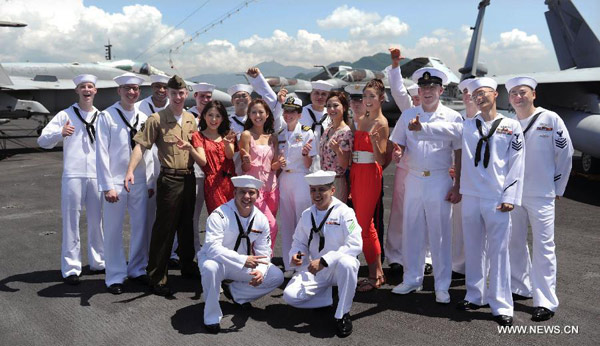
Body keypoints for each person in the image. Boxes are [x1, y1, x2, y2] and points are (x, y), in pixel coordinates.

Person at [408, 77, 525, 326]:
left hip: (496, 198)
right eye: (475, 95)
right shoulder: (467, 125)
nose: (479, 98)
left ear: (495, 94)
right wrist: (422, 129)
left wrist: (510, 197)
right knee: (473, 249)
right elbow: (445, 130)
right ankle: (475, 295)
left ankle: (502, 305)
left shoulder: (511, 126)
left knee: (499, 252)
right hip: (471, 197)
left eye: (484, 93)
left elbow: (517, 165)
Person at [389, 67, 462, 305]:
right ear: (418, 90)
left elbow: (459, 153)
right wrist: (398, 151)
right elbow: (398, 143)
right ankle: (412, 278)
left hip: (440, 179)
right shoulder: (408, 114)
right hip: (414, 177)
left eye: (432, 87)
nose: (428, 91)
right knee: (411, 230)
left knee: (440, 233)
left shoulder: (453, 117)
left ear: (441, 90)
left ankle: (442, 285)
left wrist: (457, 184)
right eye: (424, 87)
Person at [506, 76, 573, 322]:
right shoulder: (509, 122)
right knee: (514, 242)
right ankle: (519, 287)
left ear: (534, 94)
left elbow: (565, 153)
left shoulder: (550, 119)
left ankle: (545, 301)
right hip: (515, 194)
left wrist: (557, 187)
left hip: (542, 194)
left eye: (522, 92)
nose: (518, 97)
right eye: (513, 93)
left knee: (544, 247)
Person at [125, 75, 199, 296]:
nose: (177, 97)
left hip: (188, 178)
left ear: (186, 95)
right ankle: (157, 275)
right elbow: (141, 147)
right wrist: (130, 171)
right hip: (169, 180)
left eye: (181, 93)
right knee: (164, 229)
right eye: (173, 93)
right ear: (168, 94)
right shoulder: (156, 119)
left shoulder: (190, 119)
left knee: (187, 226)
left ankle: (187, 266)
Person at [37, 74, 105, 285]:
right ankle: (71, 267)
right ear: (77, 90)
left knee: (97, 221)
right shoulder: (65, 115)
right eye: (83, 87)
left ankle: (98, 261)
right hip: (73, 174)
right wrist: (60, 132)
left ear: (95, 91)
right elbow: (42, 141)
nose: (86, 90)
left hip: (96, 174)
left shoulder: (102, 117)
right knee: (71, 221)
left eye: (90, 87)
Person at [198, 175, 284, 334]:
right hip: (218, 262)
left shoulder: (261, 219)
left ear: (257, 195)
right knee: (210, 267)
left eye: (251, 193)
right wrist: (242, 259)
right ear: (234, 193)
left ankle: (237, 293)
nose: (247, 197)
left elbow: (264, 252)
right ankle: (211, 316)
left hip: (242, 264)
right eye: (242, 192)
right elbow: (212, 248)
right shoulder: (219, 215)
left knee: (276, 275)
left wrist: (261, 271)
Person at [283, 170, 362, 338]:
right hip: (316, 268)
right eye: (313, 190)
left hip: (337, 267)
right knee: (290, 296)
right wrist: (297, 254)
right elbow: (299, 242)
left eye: (321, 190)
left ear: (332, 190)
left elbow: (355, 243)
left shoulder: (345, 212)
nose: (317, 195)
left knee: (348, 263)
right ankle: (328, 298)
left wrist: (326, 260)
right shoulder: (307, 214)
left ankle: (342, 314)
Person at [96, 72, 151, 294]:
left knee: (140, 227)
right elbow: (100, 153)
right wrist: (107, 185)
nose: (131, 92)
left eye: (135, 89)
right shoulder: (107, 117)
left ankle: (137, 268)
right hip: (115, 182)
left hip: (139, 181)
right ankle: (115, 275)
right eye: (127, 89)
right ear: (119, 91)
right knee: (112, 229)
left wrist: (151, 181)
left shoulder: (145, 118)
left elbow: (150, 153)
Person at [136, 74, 181, 268]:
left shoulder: (176, 108)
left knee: (171, 213)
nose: (161, 91)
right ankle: (147, 256)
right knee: (147, 215)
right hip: (146, 166)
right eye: (157, 86)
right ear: (151, 87)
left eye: (164, 87)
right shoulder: (139, 108)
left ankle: (171, 252)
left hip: (168, 166)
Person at [351, 79, 389, 292]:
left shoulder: (381, 123)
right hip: (356, 171)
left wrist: (375, 142)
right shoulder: (363, 119)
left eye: (371, 96)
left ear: (381, 98)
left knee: (364, 226)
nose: (367, 100)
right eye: (365, 96)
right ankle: (378, 272)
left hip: (369, 173)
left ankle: (374, 275)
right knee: (367, 225)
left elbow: (382, 159)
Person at [277, 96, 317, 278]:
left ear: (300, 114)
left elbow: (309, 163)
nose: (288, 114)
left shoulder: (308, 132)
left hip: (301, 178)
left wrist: (305, 154)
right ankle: (289, 264)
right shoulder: (280, 134)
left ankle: (303, 263)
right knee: (287, 224)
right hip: (284, 179)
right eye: (286, 111)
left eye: (293, 111)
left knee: (302, 224)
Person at [175, 100, 236, 214]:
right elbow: (203, 162)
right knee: (219, 217)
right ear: (204, 116)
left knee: (233, 219)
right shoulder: (198, 136)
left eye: (218, 116)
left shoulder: (227, 134)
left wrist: (227, 143)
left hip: (230, 182)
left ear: (223, 118)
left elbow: (230, 155)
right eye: (210, 115)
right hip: (213, 184)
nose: (214, 119)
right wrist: (191, 149)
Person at [238, 99, 282, 250]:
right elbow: (244, 168)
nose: (258, 115)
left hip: (272, 188)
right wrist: (246, 161)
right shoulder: (245, 135)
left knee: (264, 229)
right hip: (254, 188)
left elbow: (274, 166)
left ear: (267, 114)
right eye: (254, 112)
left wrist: (280, 163)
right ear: (249, 115)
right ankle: (259, 259)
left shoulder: (272, 138)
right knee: (271, 225)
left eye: (261, 112)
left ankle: (263, 260)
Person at [450, 78, 479, 277]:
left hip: (482, 184)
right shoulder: (456, 119)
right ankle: (460, 265)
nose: (468, 96)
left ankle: (481, 268)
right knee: (458, 225)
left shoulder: (490, 120)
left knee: (481, 229)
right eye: (465, 92)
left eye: (472, 92)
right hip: (459, 181)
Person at [187, 82, 217, 255]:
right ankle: (194, 251)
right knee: (193, 216)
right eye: (202, 96)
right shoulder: (187, 116)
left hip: (214, 173)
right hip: (196, 172)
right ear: (195, 96)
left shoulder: (215, 117)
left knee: (216, 215)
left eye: (208, 96)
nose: (205, 99)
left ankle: (214, 250)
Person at [320, 91, 353, 202]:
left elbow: (345, 165)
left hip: (336, 182)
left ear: (344, 108)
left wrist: (338, 151)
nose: (331, 109)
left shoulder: (346, 132)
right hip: (324, 181)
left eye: (335, 105)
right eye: (329, 106)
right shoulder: (328, 129)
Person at [301, 80, 334, 171]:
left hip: (326, 163)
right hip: (303, 162)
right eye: (316, 93)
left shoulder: (331, 115)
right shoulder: (301, 113)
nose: (320, 97)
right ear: (311, 95)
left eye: (324, 94)